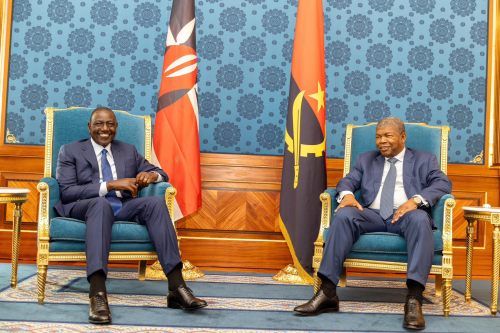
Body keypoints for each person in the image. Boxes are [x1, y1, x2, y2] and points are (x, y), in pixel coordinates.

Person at [293, 117, 452, 330]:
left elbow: (443, 183)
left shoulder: (425, 159)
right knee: (344, 215)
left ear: (403, 137)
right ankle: (328, 293)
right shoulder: (366, 159)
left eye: (388, 135)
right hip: (373, 215)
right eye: (378, 136)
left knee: (420, 218)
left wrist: (415, 201)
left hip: (406, 216)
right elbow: (347, 181)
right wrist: (347, 195)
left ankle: (414, 299)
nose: (381, 141)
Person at [54, 107, 207, 324]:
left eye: (110, 124)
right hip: (85, 207)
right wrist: (110, 185)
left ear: (116, 127)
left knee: (155, 203)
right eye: (99, 124)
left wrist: (151, 175)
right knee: (100, 205)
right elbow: (67, 192)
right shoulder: (70, 151)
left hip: (122, 206)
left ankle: (177, 288)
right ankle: (97, 294)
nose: (105, 129)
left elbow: (162, 173)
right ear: (90, 127)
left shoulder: (127, 150)